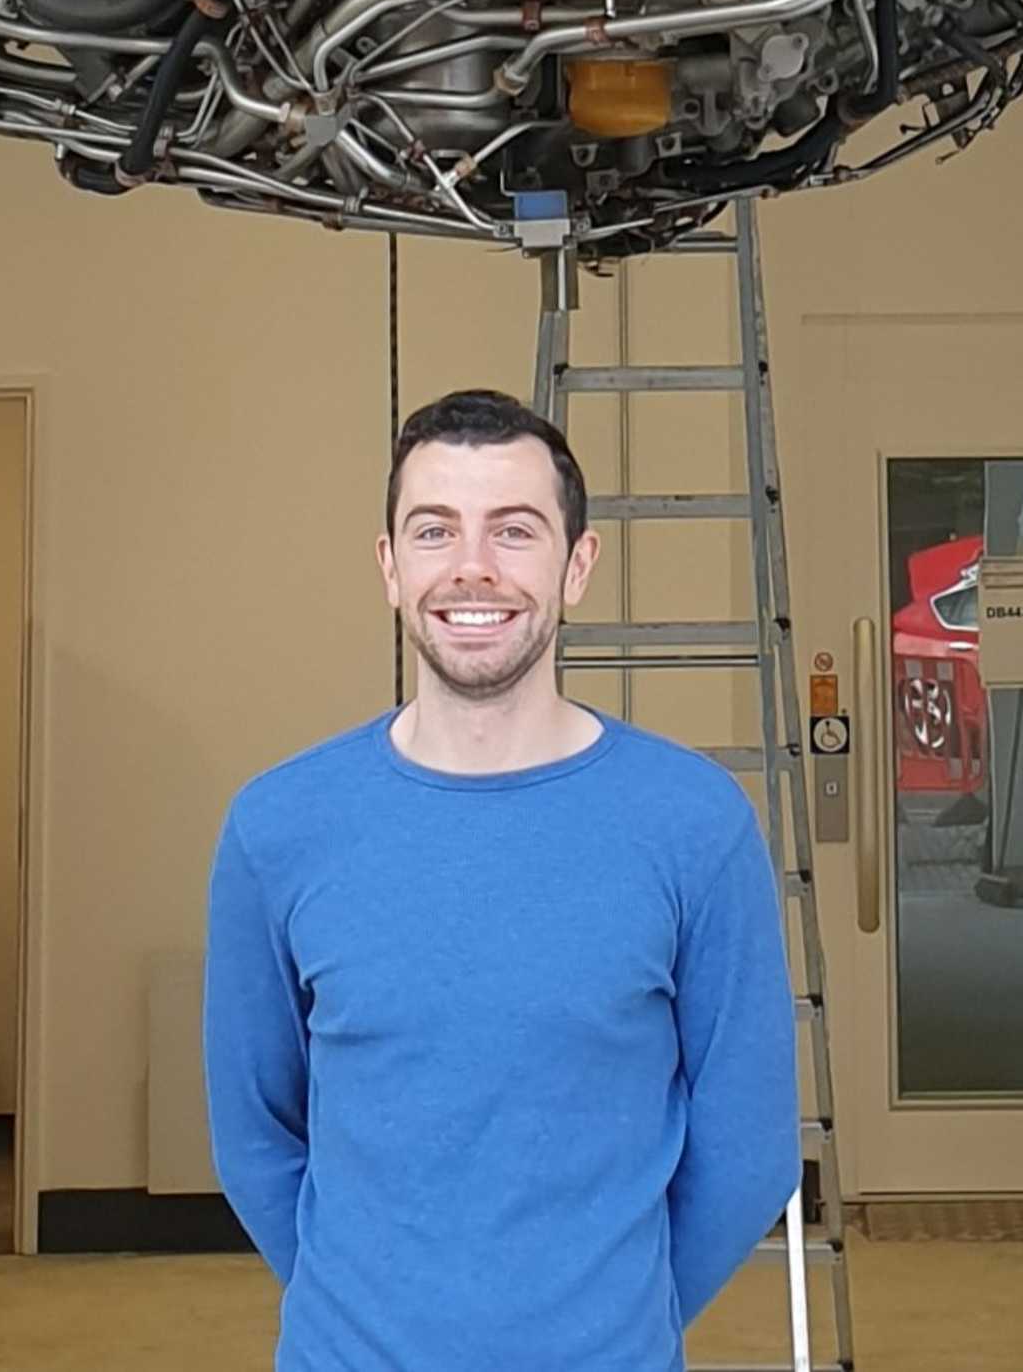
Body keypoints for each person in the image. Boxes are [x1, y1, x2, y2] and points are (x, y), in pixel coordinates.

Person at [203, 383, 800, 1371]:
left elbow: (748, 1153)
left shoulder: (696, 825)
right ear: (390, 567)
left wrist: (614, 1325)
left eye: (515, 531)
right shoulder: (278, 828)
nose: (472, 567)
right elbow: (253, 1135)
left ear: (578, 565)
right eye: (434, 531)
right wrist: (362, 1314)